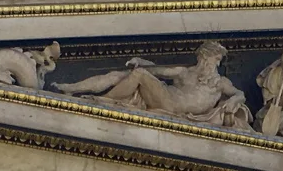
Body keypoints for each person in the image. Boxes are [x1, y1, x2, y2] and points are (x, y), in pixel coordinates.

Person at [53, 40, 251, 130]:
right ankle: (77, 91)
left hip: (175, 108)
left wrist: (234, 100)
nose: (214, 65)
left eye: (217, 61)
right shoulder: (185, 72)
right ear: (203, 57)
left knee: (137, 74)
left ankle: (101, 100)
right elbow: (159, 72)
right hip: (166, 98)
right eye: (213, 59)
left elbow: (240, 93)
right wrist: (142, 61)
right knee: (130, 74)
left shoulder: (219, 83)